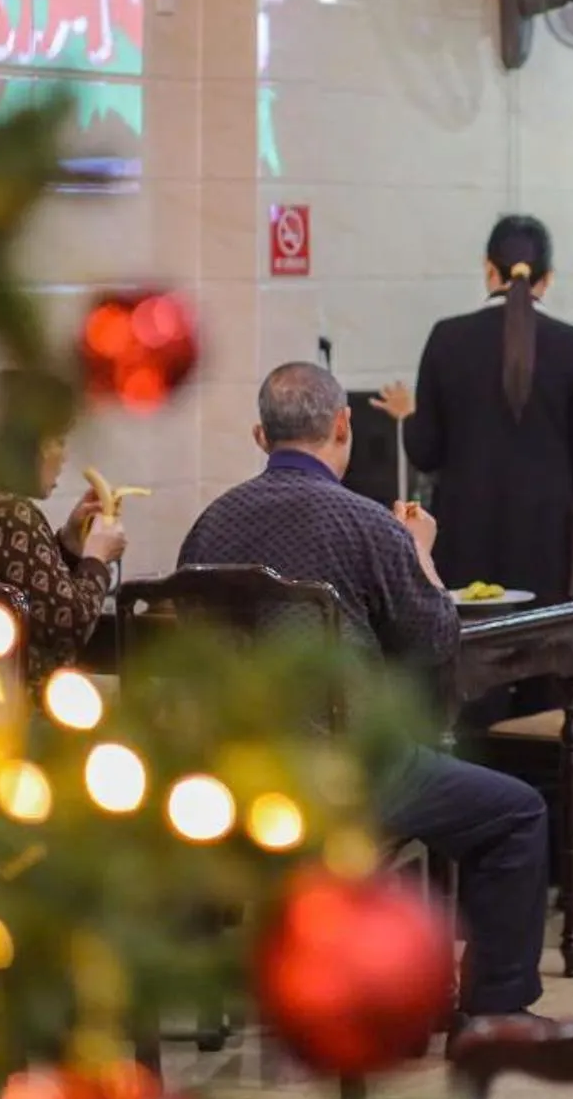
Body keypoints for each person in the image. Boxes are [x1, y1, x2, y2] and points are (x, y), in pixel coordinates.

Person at [178, 363, 547, 1020]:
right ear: (343, 425)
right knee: (516, 815)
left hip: (232, 776)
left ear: (261, 437)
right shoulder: (364, 524)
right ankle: (492, 1017)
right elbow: (435, 640)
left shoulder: (209, 527)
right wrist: (422, 555)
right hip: (349, 774)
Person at [372, 216, 573, 617]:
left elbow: (426, 452)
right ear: (547, 278)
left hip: (465, 542)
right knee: (544, 665)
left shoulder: (447, 338)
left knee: (473, 666)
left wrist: (411, 415)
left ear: (488, 269)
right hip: (551, 549)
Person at [0, 368, 125, 682]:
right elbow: (67, 625)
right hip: (19, 706)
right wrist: (97, 558)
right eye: (56, 439)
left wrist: (69, 543)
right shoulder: (8, 512)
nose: (64, 454)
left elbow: (18, 588)